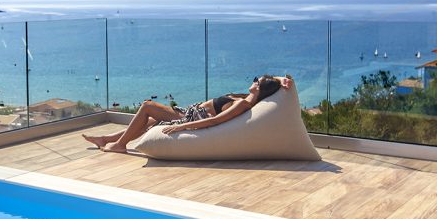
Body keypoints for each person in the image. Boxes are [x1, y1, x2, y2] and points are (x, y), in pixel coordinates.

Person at [83, 75, 293, 153]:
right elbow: (270, 80)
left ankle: (120, 145)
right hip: (190, 111)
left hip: (191, 117)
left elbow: (214, 120)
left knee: (147, 106)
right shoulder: (246, 99)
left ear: (259, 88)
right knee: (151, 119)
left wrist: (183, 126)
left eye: (257, 81)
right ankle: (107, 139)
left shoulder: (243, 105)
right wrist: (282, 79)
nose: (253, 81)